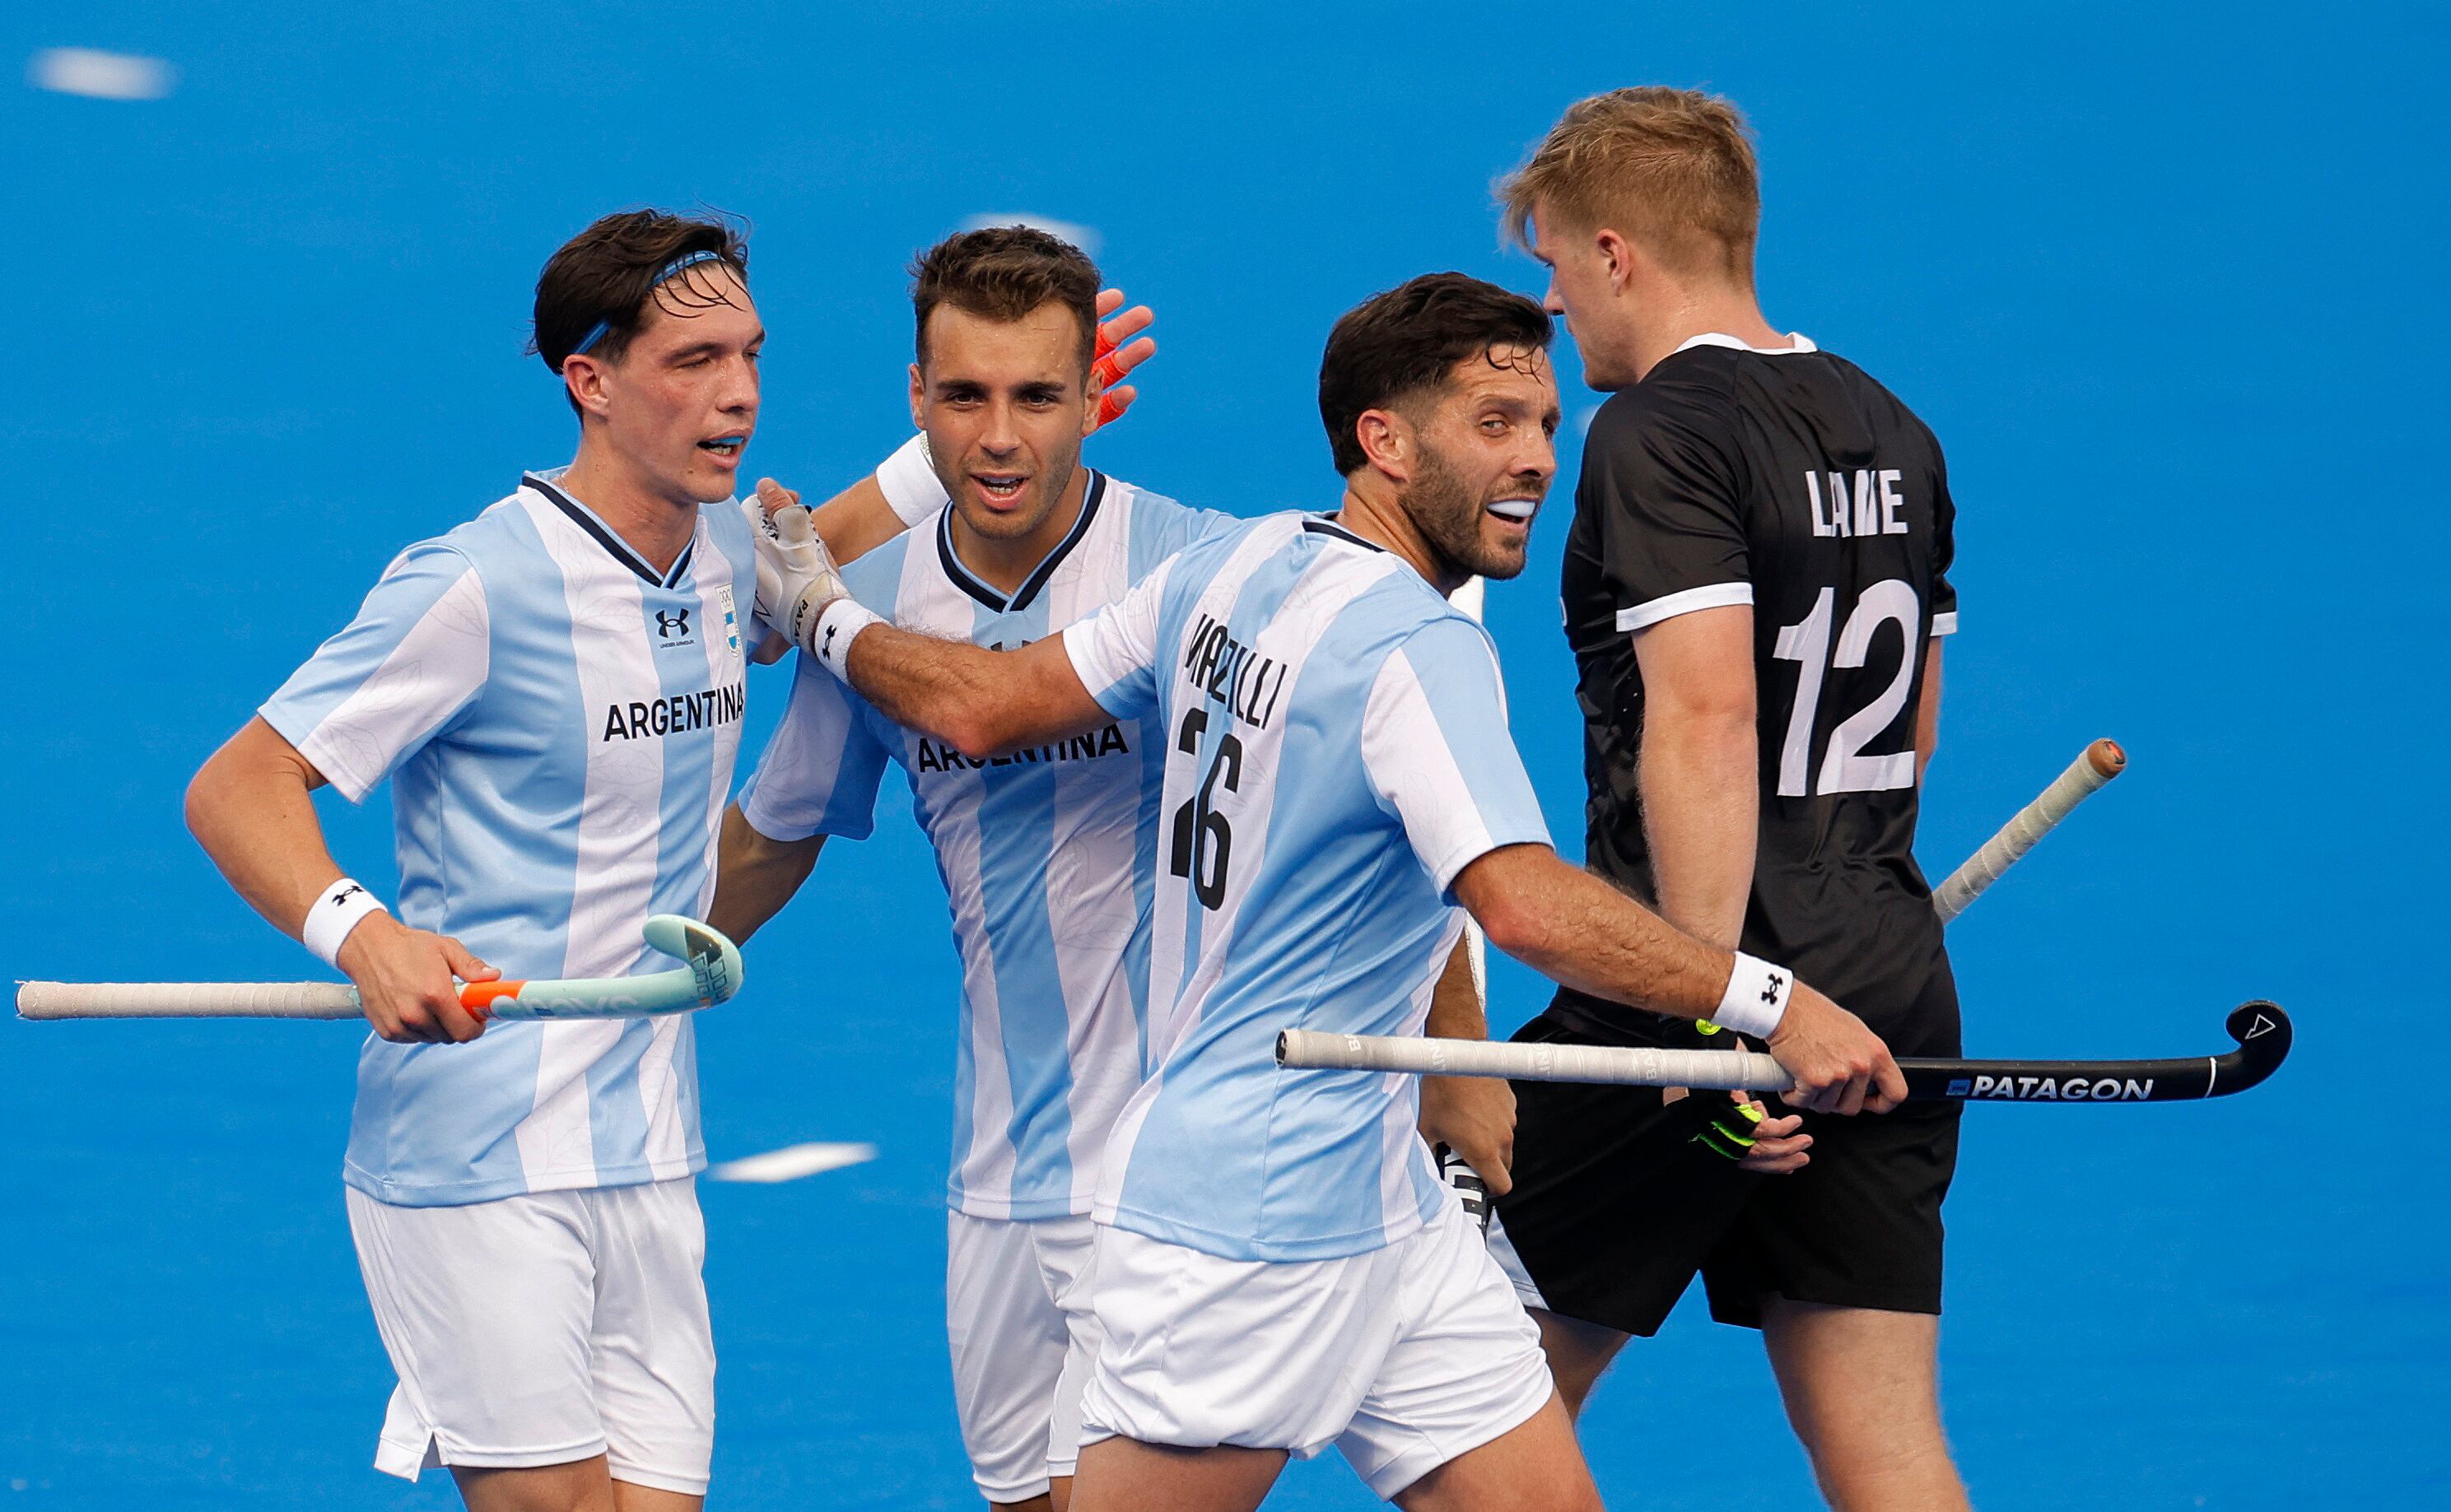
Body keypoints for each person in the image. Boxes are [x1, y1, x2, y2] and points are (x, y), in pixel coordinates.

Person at [749, 272, 1903, 1512]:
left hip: (1378, 1200)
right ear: (1385, 442)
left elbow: (995, 699)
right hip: (1240, 1225)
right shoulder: (1418, 651)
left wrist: (817, 602)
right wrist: (1768, 1001)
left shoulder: (1231, 566)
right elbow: (1515, 899)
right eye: (1493, 426)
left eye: (1544, 426)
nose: (1534, 463)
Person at [182, 210, 772, 1511]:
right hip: (475, 1152)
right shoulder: (477, 583)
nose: (735, 392)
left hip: (651, 1146)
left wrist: (984, 447)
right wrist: (361, 929)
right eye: (692, 362)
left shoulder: (728, 552)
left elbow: (823, 543)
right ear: (592, 382)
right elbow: (236, 785)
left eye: (748, 354)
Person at [1489, 86, 1971, 1510]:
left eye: (1560, 269)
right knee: (1882, 1448)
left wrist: (1714, 1005)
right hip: (1882, 974)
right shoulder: (1897, 430)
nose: (1558, 307)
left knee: (1467, 1408)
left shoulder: (1658, 433)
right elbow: (1911, 738)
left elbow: (1704, 718)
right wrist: (1838, 938)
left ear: (1619, 252)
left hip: (1697, 992)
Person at [707, 226, 1237, 1512]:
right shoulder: (881, 582)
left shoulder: (1202, 571)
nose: (1000, 438)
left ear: (1090, 403)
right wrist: (600, 988)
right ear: (915, 402)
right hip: (998, 1173)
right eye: (966, 396)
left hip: (1176, 1170)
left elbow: (1375, 802)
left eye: (1037, 398)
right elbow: (775, 833)